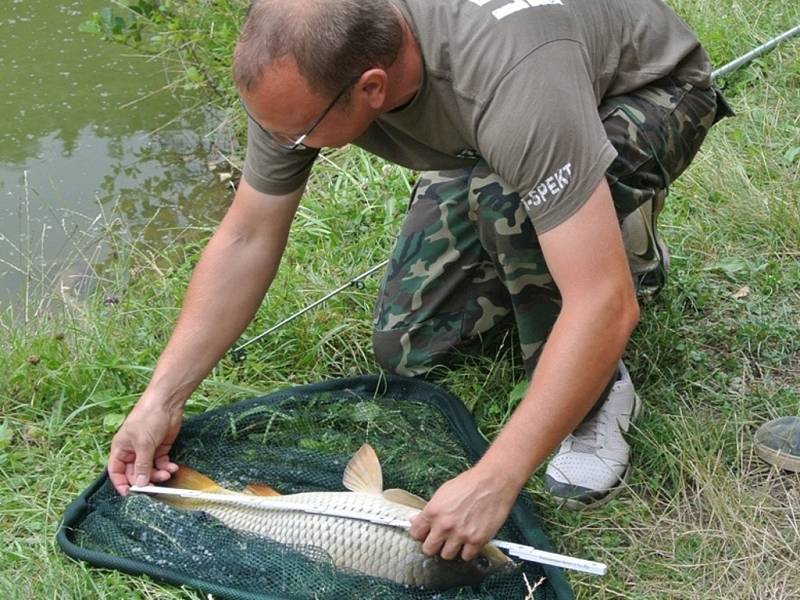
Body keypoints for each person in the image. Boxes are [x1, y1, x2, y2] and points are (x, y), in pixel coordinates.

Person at [108, 0, 732, 564]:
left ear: (372, 87)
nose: (281, 143)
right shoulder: (307, 68)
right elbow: (247, 235)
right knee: (411, 345)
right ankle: (549, 206)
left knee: (511, 211)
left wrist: (495, 477)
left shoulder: (512, 80)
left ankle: (602, 368)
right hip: (501, 131)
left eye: (295, 134)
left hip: (646, 92)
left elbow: (604, 304)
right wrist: (162, 397)